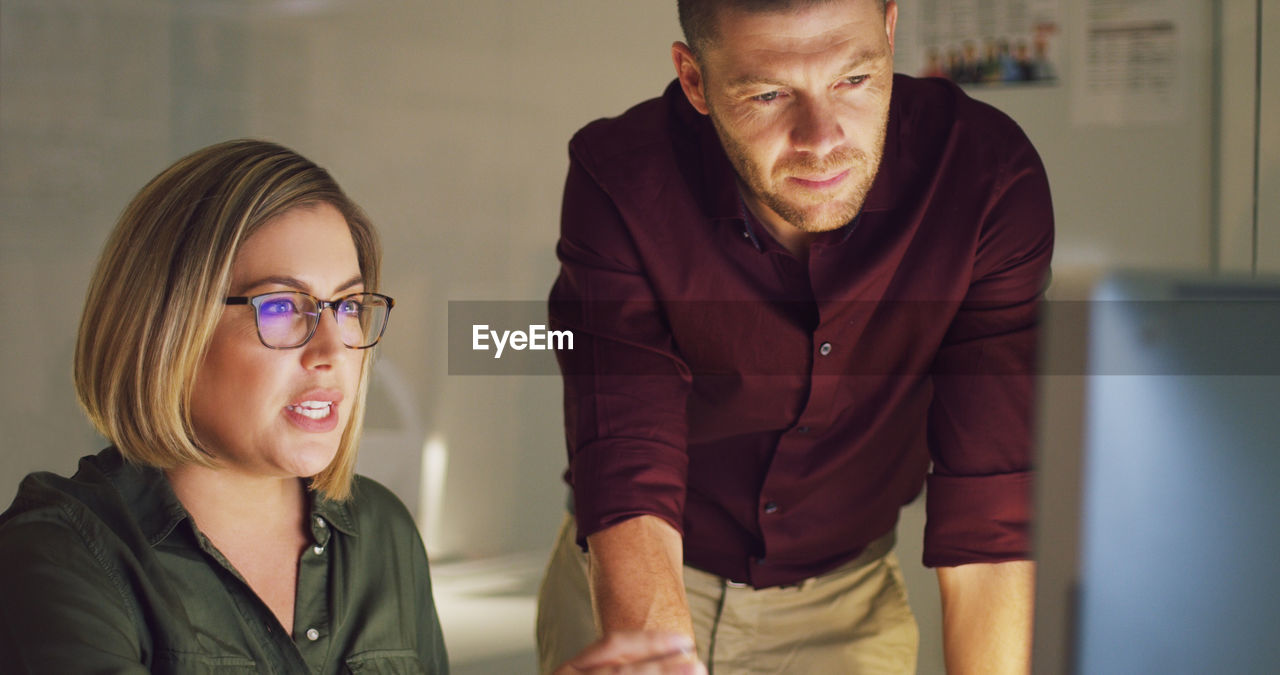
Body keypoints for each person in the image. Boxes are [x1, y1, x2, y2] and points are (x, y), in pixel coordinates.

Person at [0, 139, 701, 675]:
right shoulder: (61, 559)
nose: (333, 349)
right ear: (166, 326)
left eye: (349, 305)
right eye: (284, 306)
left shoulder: (383, 534)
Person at [537, 1, 1053, 674]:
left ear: (890, 30)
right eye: (770, 93)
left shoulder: (987, 179)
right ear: (694, 79)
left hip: (843, 606)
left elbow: (990, 505)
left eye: (853, 80)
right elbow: (628, 458)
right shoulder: (622, 180)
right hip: (638, 576)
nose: (821, 138)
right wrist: (653, 655)